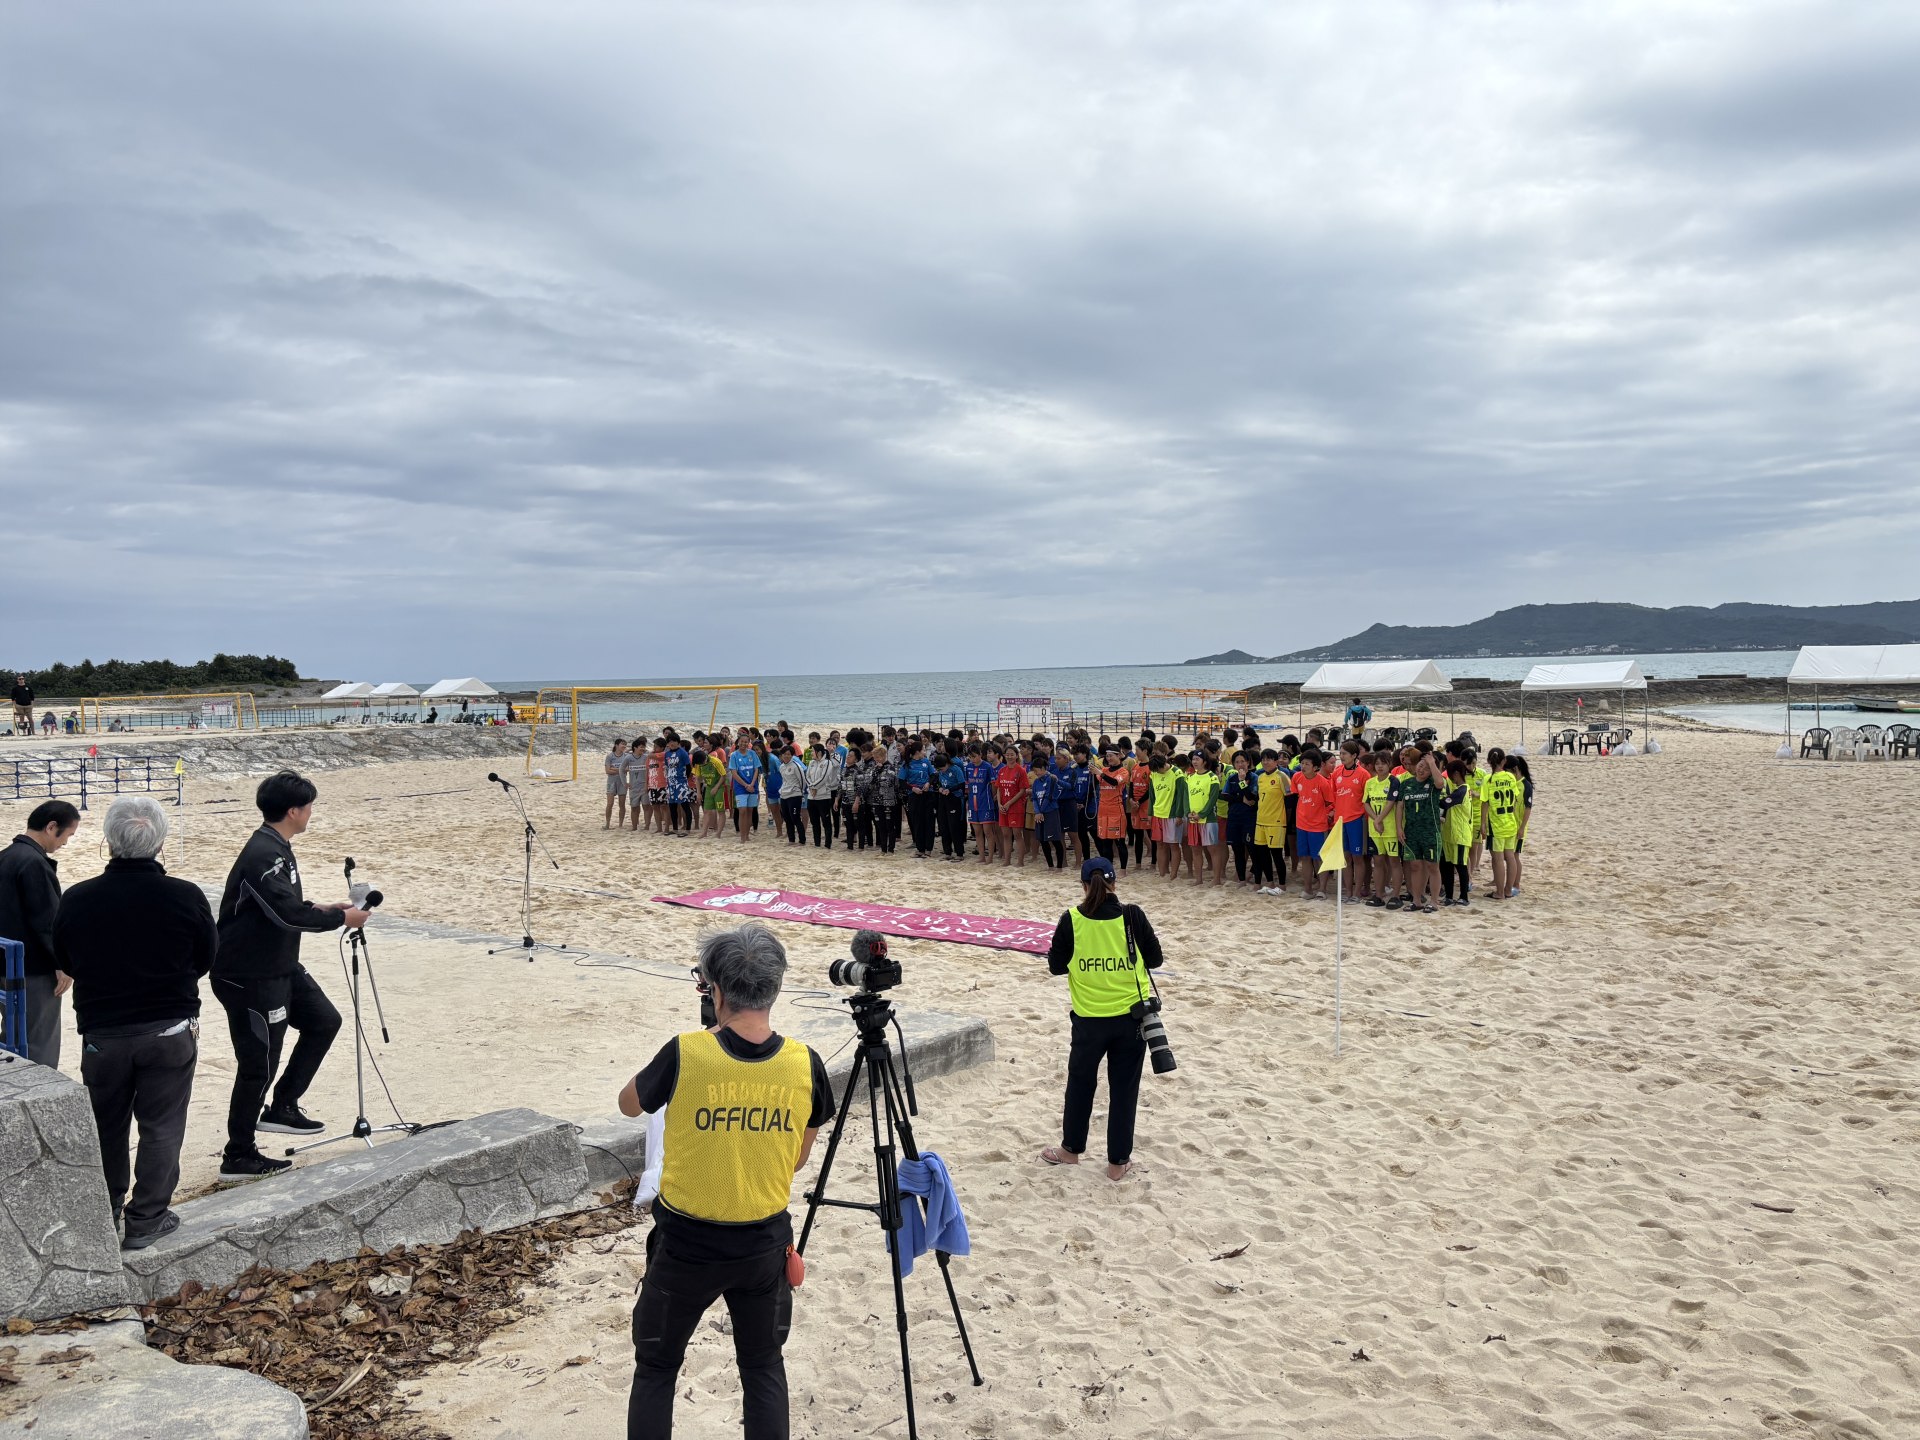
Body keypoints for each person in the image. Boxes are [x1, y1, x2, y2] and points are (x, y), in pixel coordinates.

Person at [618, 924, 834, 1440]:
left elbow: (629, 1104)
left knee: (656, 1368)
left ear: (714, 989)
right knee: (762, 1367)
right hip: (763, 1244)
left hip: (685, 1245)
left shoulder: (686, 1051)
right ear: (775, 987)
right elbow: (796, 1160)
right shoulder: (804, 1062)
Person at [53, 797, 215, 1248]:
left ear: (109, 842)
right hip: (168, 1025)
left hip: (104, 1030)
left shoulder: (78, 898)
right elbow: (206, 957)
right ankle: (146, 1217)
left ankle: (107, 1209)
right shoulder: (185, 895)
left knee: (107, 1123)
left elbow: (66, 959)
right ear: (160, 844)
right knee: (162, 1124)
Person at [213, 770, 369, 1181]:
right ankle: (238, 1155)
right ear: (294, 811)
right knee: (258, 1064)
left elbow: (283, 905)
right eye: (309, 806)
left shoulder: (277, 847)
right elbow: (285, 914)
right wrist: (341, 919)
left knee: (324, 1021)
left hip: (279, 965)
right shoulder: (263, 854)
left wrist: (323, 908)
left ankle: (283, 1105)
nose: (312, 812)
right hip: (248, 974)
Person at [1040, 858, 1164, 1181]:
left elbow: (1055, 966)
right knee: (1124, 1090)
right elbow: (1156, 959)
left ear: (1083, 886)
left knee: (1080, 1084)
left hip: (1089, 1018)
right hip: (1131, 1018)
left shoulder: (1072, 919)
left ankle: (1070, 1151)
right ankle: (1117, 1164)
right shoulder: (1132, 916)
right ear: (1114, 883)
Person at [0, 800, 80, 1067]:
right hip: (33, 970)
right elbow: (47, 921)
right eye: (68, 835)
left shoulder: (6, 856)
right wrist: (62, 963)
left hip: (7, 963)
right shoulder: (33, 862)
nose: (65, 843)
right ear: (51, 827)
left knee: (12, 1038)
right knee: (38, 1043)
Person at [728, 736, 762, 844]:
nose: (744, 744)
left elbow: (756, 769)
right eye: (742, 741)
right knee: (742, 811)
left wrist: (752, 784)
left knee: (750, 811)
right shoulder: (734, 755)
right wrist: (746, 785)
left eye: (746, 742)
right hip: (740, 787)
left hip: (753, 786)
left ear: (749, 743)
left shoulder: (752, 754)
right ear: (738, 742)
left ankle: (747, 835)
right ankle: (742, 837)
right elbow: (734, 773)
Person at [604, 738, 630, 829]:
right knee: (610, 804)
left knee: (622, 804)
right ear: (616, 745)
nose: (624, 746)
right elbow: (607, 771)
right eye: (622, 744)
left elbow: (627, 769)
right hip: (611, 782)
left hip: (622, 782)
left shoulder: (626, 756)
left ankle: (620, 825)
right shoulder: (610, 756)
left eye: (625, 744)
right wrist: (621, 770)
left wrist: (614, 769)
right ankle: (607, 824)